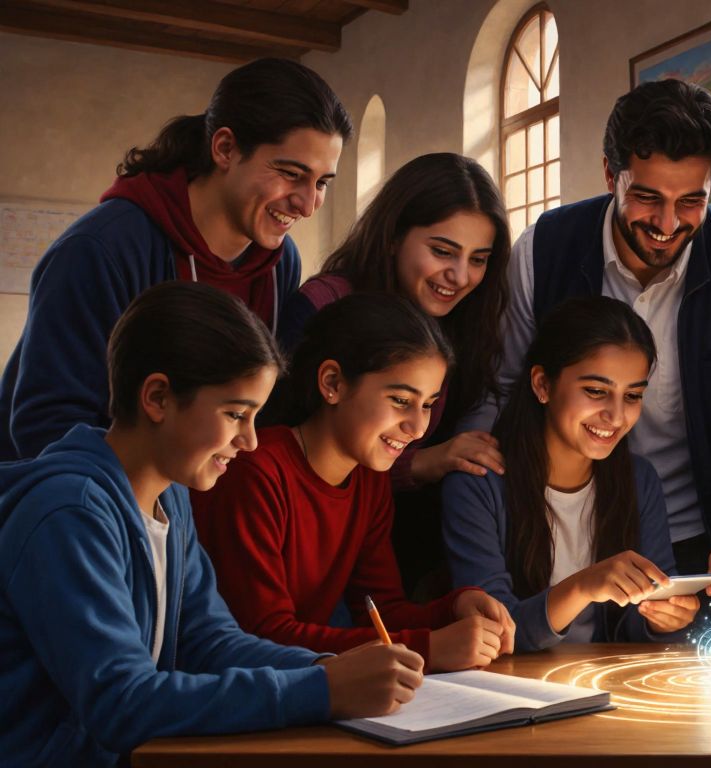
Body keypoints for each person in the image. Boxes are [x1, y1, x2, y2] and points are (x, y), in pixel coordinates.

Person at [0, 282, 422, 767]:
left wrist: (331, 668)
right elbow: (122, 702)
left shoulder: (171, 497)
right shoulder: (68, 513)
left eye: (255, 417)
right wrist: (322, 689)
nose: (250, 442)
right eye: (235, 414)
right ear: (158, 398)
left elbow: (208, 640)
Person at [475, 80, 711, 619]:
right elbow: (503, 391)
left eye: (691, 201)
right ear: (610, 175)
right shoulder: (544, 249)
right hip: (547, 535)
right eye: (647, 198)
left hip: (694, 548)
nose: (667, 225)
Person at [0, 57, 351, 460]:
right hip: (80, 508)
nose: (308, 206)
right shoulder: (102, 249)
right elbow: (48, 424)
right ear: (225, 148)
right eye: (291, 173)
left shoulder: (280, 261)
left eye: (321, 182)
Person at [191, 293, 514, 672]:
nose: (418, 426)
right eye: (399, 400)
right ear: (333, 383)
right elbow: (264, 634)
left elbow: (378, 611)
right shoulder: (256, 472)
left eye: (427, 404)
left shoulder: (368, 480)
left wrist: (455, 608)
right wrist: (427, 648)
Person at [277, 153, 511, 595]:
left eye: (478, 259)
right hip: (300, 543)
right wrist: (421, 463)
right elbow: (288, 445)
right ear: (392, 237)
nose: (460, 276)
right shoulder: (323, 308)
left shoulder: (466, 324)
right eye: (442, 251)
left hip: (387, 544)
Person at [443, 296, 698, 650]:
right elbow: (495, 633)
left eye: (633, 396)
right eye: (596, 391)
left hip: (606, 685)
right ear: (542, 385)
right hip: (513, 691)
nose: (616, 416)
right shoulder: (478, 483)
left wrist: (666, 620)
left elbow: (641, 627)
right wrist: (584, 585)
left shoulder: (639, 479)